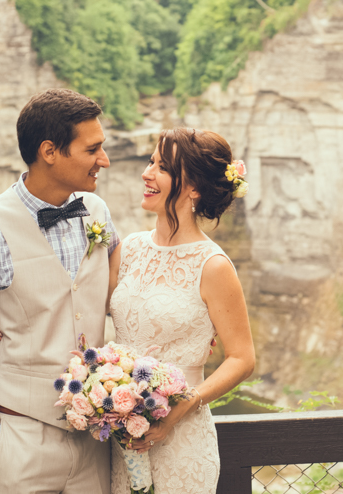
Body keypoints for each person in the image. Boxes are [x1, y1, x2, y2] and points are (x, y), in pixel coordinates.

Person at [0, 88, 121, 494]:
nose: (105, 160)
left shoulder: (97, 213)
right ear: (49, 151)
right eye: (93, 149)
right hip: (18, 442)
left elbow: (121, 292)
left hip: (94, 442)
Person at [108, 128, 256, 493]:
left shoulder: (214, 265)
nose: (147, 173)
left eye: (162, 167)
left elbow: (242, 358)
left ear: (194, 189)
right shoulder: (128, 249)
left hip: (182, 438)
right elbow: (82, 312)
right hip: (122, 435)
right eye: (150, 161)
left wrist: (179, 410)